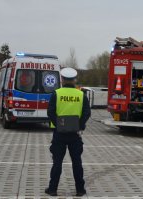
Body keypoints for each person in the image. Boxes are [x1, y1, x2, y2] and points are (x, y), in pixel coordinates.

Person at [46, 67, 91, 197]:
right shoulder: (81, 94)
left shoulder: (56, 93)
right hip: (75, 134)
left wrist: (60, 125)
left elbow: (50, 112)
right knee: (77, 163)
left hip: (59, 134)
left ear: (62, 79)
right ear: (75, 80)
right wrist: (79, 125)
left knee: (57, 163)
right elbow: (87, 113)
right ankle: (80, 190)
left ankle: (52, 189)